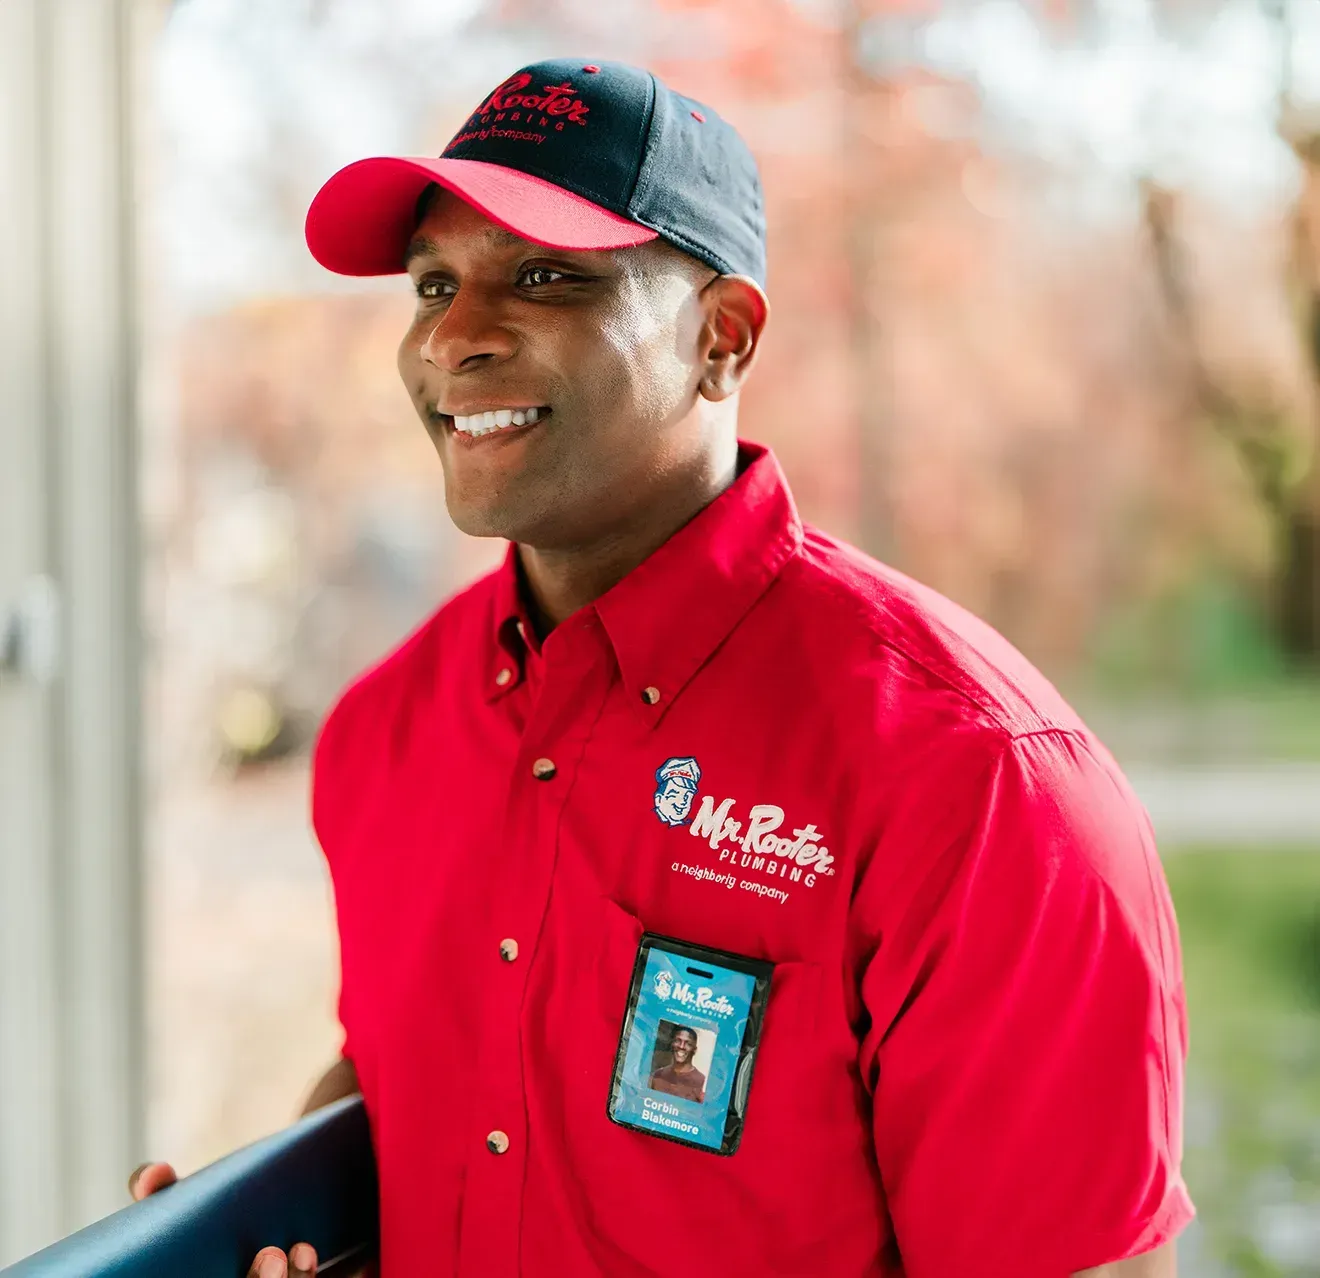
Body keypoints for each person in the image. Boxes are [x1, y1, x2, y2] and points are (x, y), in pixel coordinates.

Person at [133, 58, 1193, 1278]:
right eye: (433, 284)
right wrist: (262, 1224)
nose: (453, 337)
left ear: (721, 338)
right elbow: (409, 1079)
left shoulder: (977, 785)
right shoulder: (386, 731)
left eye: (545, 276)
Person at [648, 1026, 706, 1103]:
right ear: (672, 1044)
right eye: (678, 1041)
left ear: (694, 1050)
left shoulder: (701, 1081)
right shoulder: (658, 1075)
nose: (681, 1046)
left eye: (688, 1043)